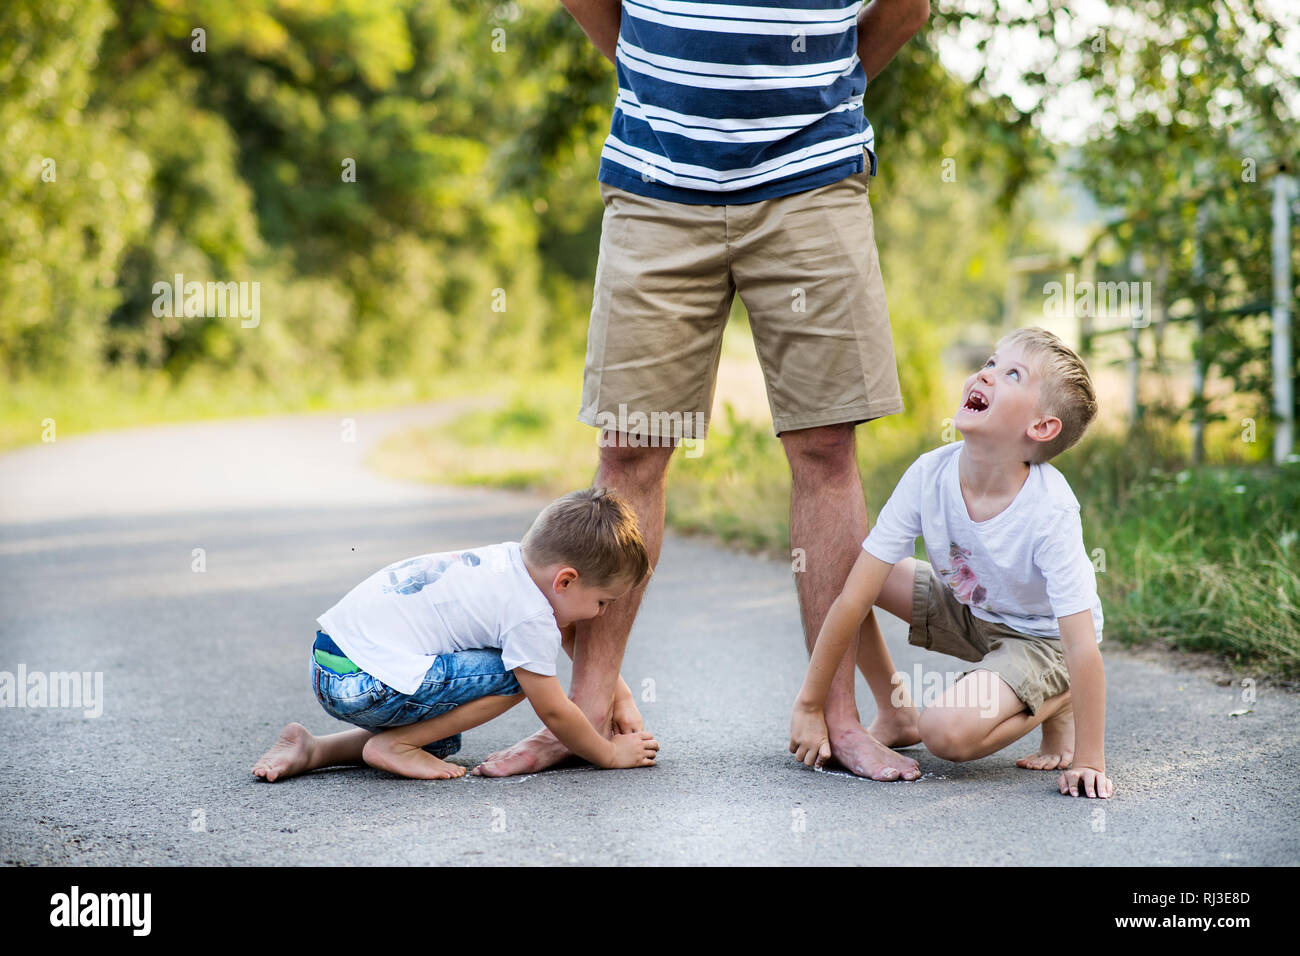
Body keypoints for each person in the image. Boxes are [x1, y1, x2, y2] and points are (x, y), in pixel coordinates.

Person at [479, 0, 933, 780]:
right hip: (655, 179)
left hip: (812, 180)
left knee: (825, 447)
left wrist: (823, 89)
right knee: (629, 447)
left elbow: (907, 7)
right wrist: (662, 85)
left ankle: (839, 716)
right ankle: (587, 714)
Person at [789, 327, 1115, 798]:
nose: (986, 375)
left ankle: (1058, 698)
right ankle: (895, 711)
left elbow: (1082, 646)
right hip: (973, 610)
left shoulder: (1050, 510)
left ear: (1041, 427)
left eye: (1013, 374)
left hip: (1044, 642)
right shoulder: (929, 473)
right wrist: (809, 703)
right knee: (849, 569)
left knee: (944, 733)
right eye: (990, 363)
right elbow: (852, 598)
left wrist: (1089, 760)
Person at [252, 487, 659, 781]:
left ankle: (315, 749)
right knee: (517, 676)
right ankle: (395, 745)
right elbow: (553, 710)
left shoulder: (510, 563)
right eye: (603, 601)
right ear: (565, 581)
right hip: (365, 683)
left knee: (440, 741)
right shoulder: (530, 614)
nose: (601, 614)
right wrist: (609, 754)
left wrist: (620, 697)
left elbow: (566, 632)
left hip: (331, 666)